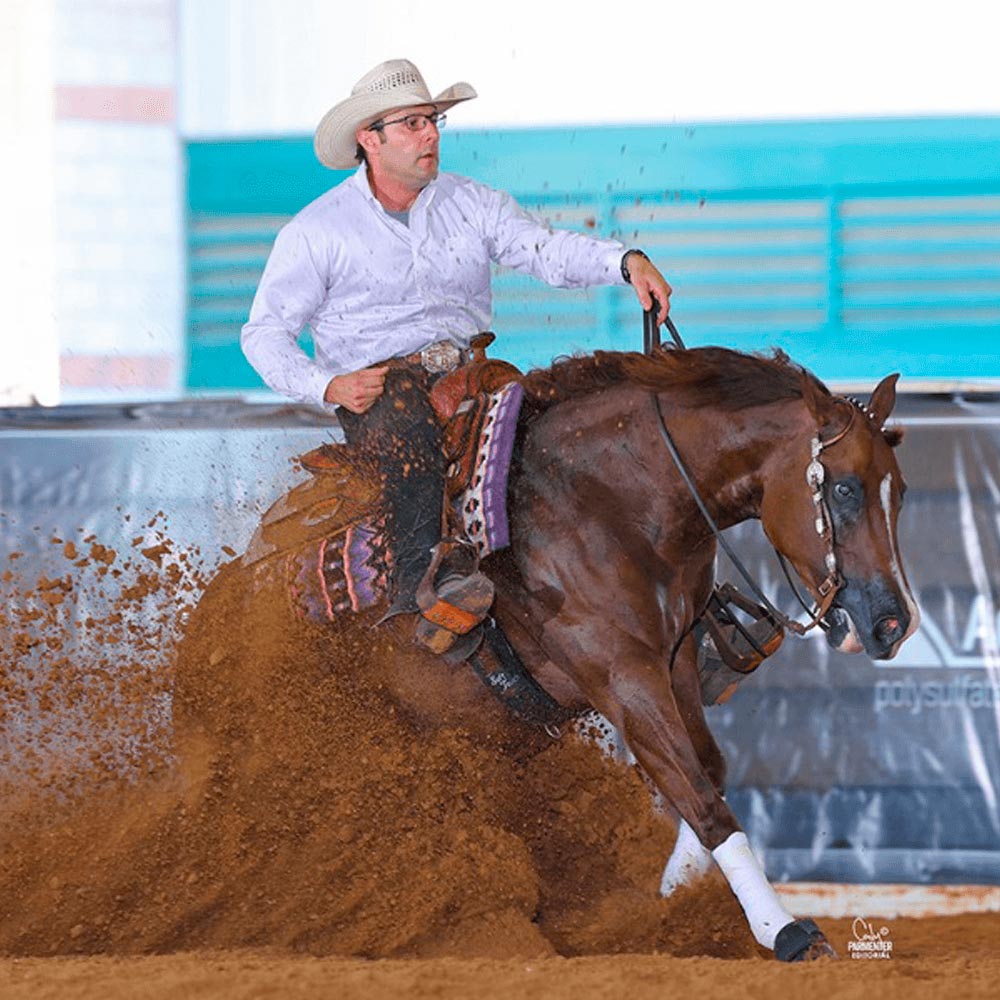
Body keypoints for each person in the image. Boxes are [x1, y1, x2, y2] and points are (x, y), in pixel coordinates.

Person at [241, 58, 673, 657]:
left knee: (568, 432)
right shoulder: (316, 232)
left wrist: (624, 262)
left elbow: (541, 249)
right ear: (371, 139)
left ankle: (654, 596)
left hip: (474, 374)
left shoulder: (473, 202)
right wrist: (329, 385)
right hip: (381, 391)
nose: (431, 135)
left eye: (434, 121)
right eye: (413, 123)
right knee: (408, 442)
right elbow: (262, 334)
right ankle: (424, 585)